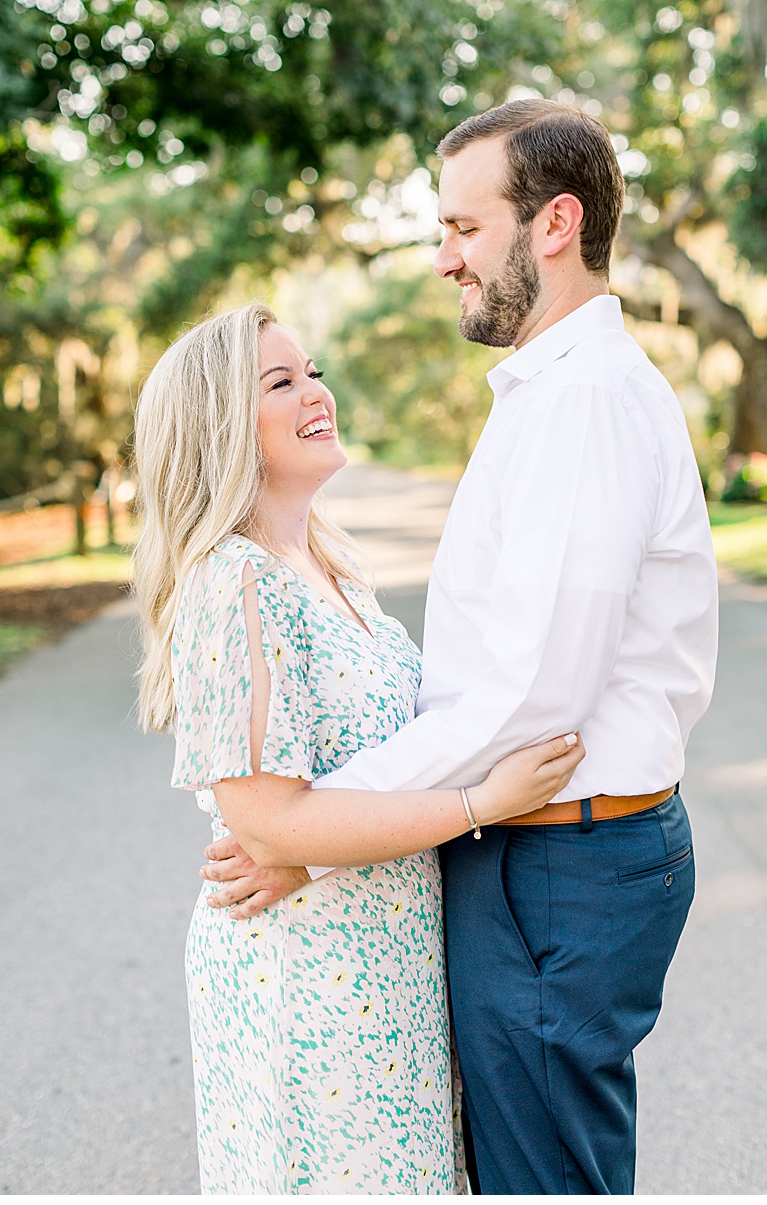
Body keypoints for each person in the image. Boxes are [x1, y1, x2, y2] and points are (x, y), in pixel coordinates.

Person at [198, 99, 721, 1194]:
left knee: (545, 1179)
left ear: (555, 223)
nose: (445, 259)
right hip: (541, 853)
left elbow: (529, 698)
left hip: (559, 860)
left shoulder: (582, 402)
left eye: (465, 228)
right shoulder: (548, 393)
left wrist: (308, 833)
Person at [133, 304, 586, 1193]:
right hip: (308, 980)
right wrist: (482, 804)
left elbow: (363, 779)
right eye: (280, 381)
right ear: (223, 426)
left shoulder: (330, 568)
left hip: (386, 964)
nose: (316, 392)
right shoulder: (233, 580)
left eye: (313, 371)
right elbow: (267, 823)